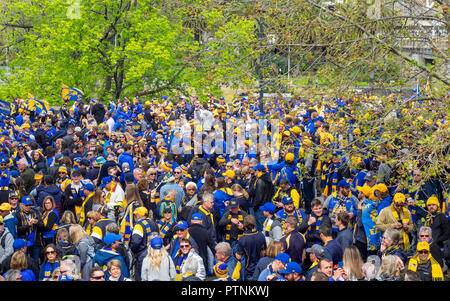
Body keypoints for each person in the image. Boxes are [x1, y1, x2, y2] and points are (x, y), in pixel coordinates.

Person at [234, 215, 266, 280]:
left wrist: (234, 251)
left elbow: (238, 256)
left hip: (248, 268)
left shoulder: (242, 239)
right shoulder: (261, 235)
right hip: (259, 266)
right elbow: (263, 253)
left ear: (244, 224)